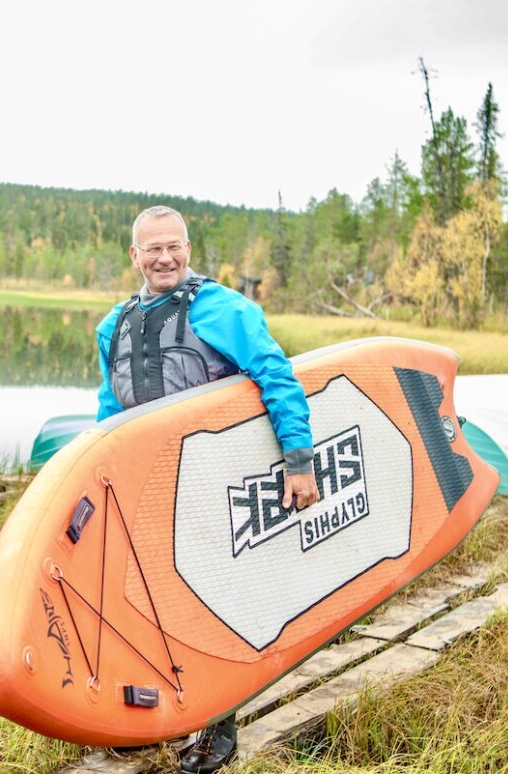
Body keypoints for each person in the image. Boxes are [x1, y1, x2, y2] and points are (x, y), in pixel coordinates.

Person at [95, 205, 320, 773]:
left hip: (213, 483)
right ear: (135, 256)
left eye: (174, 246)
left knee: (208, 602)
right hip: (144, 490)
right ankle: (146, 716)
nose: (164, 257)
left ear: (188, 249)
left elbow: (276, 375)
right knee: (139, 601)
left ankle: (217, 725)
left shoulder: (223, 308)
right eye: (153, 248)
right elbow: (106, 413)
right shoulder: (111, 327)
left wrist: (299, 460)